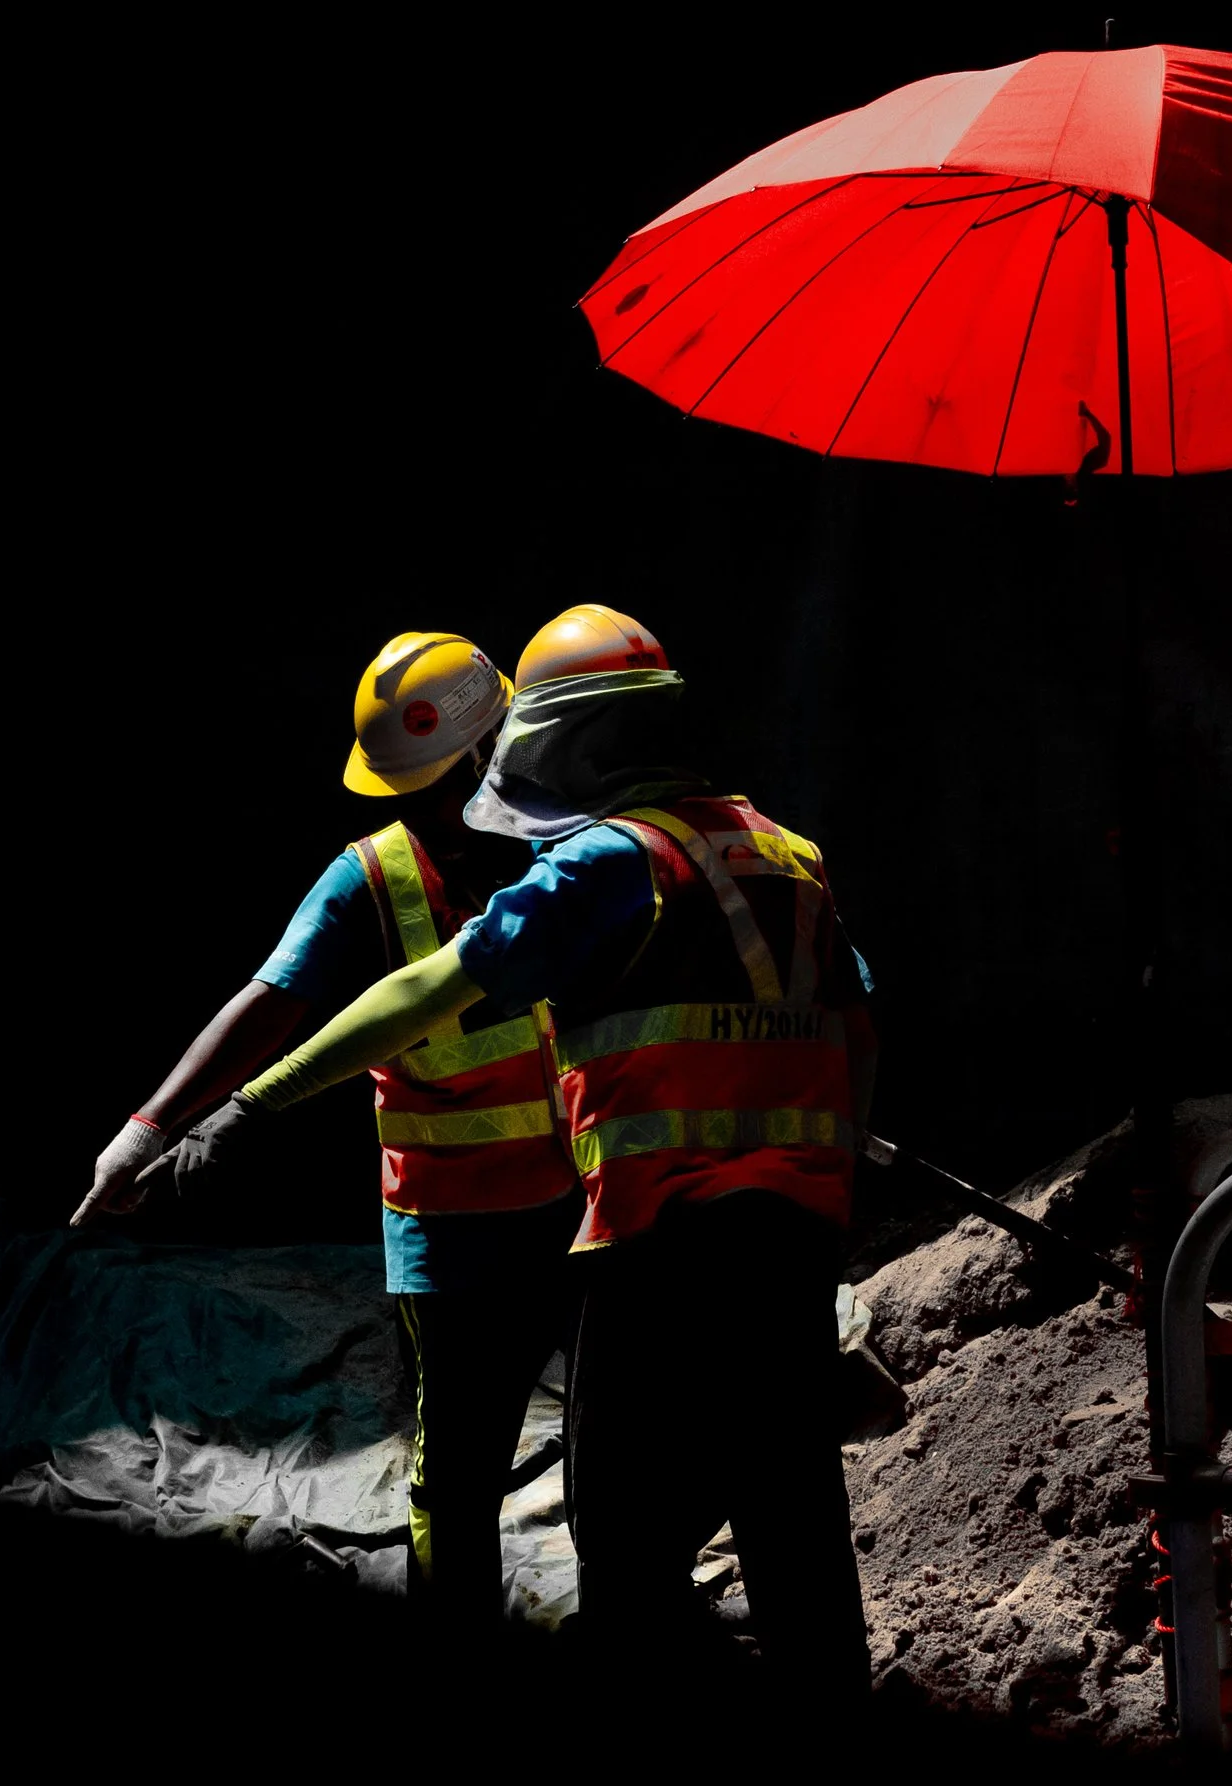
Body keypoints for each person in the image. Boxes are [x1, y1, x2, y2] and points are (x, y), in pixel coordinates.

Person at [195, 604, 880, 1697]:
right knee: (794, 1512)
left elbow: (429, 988)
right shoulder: (787, 852)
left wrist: (252, 1108)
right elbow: (854, 1036)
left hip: (660, 1245)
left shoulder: (611, 862)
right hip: (793, 1242)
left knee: (620, 1524)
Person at [74, 630, 581, 1641]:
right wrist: (144, 1130)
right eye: (416, 788)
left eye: (441, 781)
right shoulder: (372, 880)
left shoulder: (572, 849)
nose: (431, 809)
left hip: (585, 1210)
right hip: (452, 1231)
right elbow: (269, 1002)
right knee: (456, 1478)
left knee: (623, 1452)